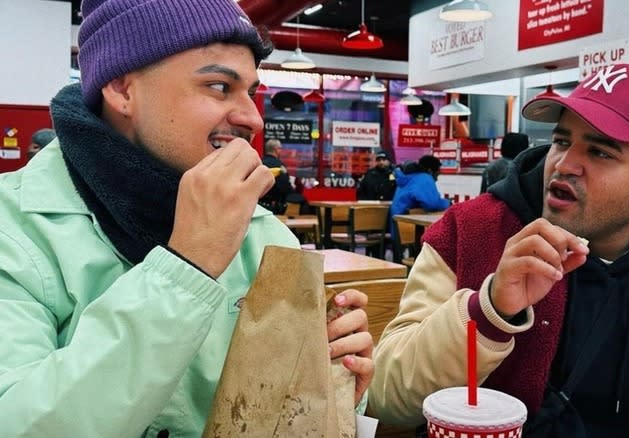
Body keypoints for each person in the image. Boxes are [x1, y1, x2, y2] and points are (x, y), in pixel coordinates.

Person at [0, 0, 373, 436]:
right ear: (121, 89)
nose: (252, 117)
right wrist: (187, 266)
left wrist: (333, 380)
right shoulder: (15, 225)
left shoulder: (264, 234)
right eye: (218, 86)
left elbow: (280, 413)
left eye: (250, 91)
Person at [369, 64, 629, 437]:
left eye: (600, 152)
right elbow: (387, 399)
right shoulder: (470, 233)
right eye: (561, 140)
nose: (564, 164)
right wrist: (490, 309)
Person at [259, 138, 302, 214]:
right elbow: (285, 187)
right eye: (280, 148)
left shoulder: (260, 163)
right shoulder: (279, 166)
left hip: (258, 205)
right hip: (274, 207)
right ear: (276, 150)